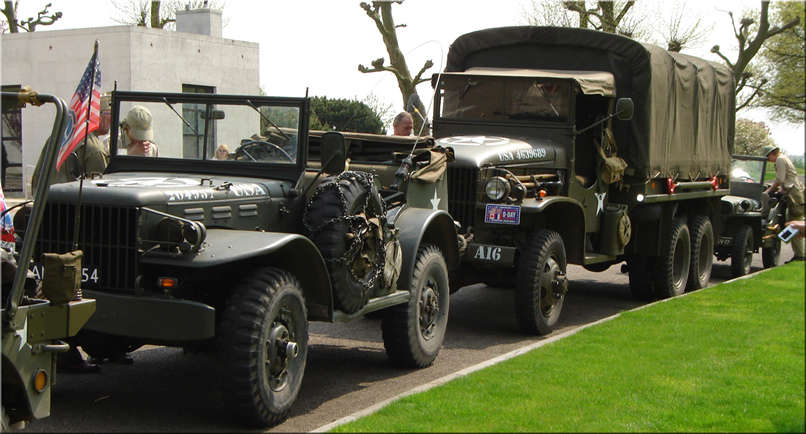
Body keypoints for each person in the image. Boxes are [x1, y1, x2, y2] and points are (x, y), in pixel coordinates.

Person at [31, 94, 112, 190]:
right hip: (70, 202)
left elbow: (36, 181)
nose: (112, 119)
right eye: (110, 114)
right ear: (97, 115)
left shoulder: (58, 136)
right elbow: (101, 192)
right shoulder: (94, 149)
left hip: (47, 201)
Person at [763, 145, 805, 263]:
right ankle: (799, 254)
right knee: (793, 222)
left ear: (772, 153)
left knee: (795, 223)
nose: (768, 159)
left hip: (794, 196)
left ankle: (800, 255)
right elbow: (787, 180)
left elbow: (780, 179)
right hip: (793, 193)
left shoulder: (780, 160)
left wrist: (768, 191)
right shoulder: (784, 158)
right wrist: (779, 191)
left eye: (768, 156)